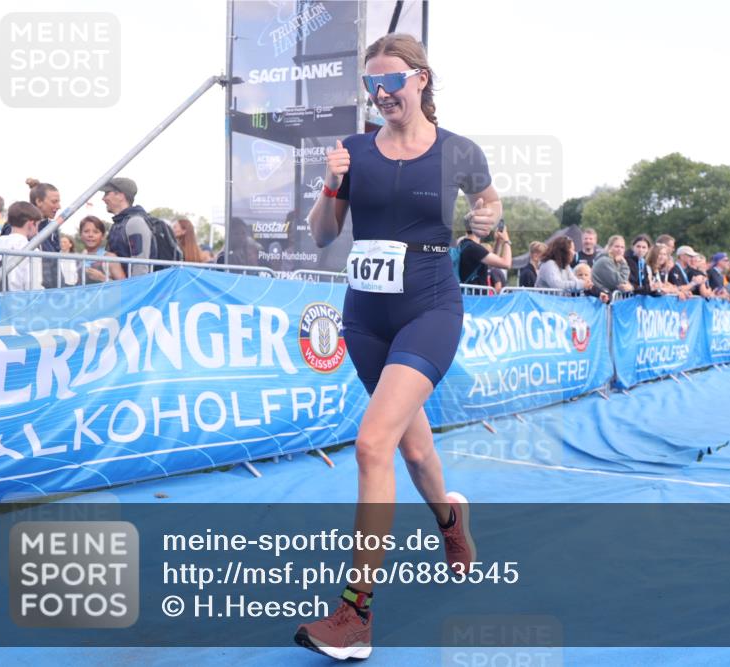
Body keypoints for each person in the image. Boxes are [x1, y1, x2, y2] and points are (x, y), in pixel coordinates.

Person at [295, 33, 500, 660]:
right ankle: (451, 521)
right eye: (370, 85)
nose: (380, 94)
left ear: (421, 79)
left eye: (391, 82)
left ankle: (356, 615)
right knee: (413, 449)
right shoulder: (353, 150)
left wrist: (486, 220)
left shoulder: (459, 151)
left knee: (371, 442)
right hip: (365, 316)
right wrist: (331, 187)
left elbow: (488, 206)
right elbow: (323, 235)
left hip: (430, 306)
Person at [101, 177, 154, 278]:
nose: (103, 199)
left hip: (135, 290)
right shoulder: (119, 224)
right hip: (124, 289)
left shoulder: (135, 223)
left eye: (107, 193)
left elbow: (140, 267)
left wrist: (134, 293)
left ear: (120, 195)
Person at [0, 202, 43, 291]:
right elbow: (33, 287)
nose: (37, 230)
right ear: (31, 223)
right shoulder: (32, 251)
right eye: (37, 225)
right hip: (18, 301)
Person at [23, 179, 62, 288]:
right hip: (25, 294)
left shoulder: (52, 228)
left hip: (50, 295)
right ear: (39, 201)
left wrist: (62, 289)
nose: (59, 206)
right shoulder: (18, 225)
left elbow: (56, 266)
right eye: (54, 201)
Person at [454, 220, 512, 286]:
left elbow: (492, 262)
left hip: (470, 294)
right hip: (475, 295)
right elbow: (506, 263)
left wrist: (498, 241)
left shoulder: (465, 244)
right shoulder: (473, 248)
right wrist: (506, 240)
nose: (489, 227)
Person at [77, 215, 112, 283]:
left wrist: (102, 278)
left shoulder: (109, 257)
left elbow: (126, 287)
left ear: (102, 236)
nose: (90, 235)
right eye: (86, 231)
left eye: (95, 232)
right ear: (81, 235)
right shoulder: (80, 257)